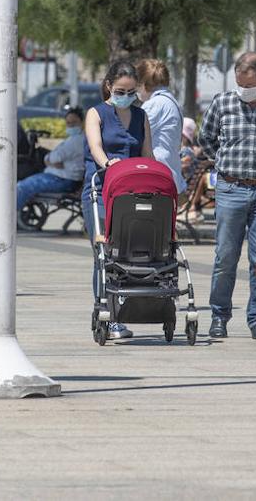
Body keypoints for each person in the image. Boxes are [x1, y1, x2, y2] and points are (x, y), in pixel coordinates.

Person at [200, 51, 256, 341]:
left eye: (249, 84)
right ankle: (219, 315)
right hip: (230, 188)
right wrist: (223, 164)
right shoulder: (223, 103)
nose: (243, 90)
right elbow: (206, 139)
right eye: (239, 83)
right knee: (225, 256)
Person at [83, 59, 155, 340]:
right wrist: (109, 165)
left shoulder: (140, 116)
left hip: (132, 191)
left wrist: (157, 175)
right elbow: (96, 147)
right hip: (101, 189)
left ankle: (123, 310)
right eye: (121, 90)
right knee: (104, 253)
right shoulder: (96, 113)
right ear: (109, 86)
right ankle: (106, 314)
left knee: (128, 252)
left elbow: (146, 152)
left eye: (131, 91)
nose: (126, 96)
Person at [16, 107, 86, 221]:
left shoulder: (76, 141)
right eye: (68, 123)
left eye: (74, 122)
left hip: (61, 180)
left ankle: (10, 219)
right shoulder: (74, 139)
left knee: (21, 187)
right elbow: (52, 158)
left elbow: (52, 158)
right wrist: (51, 160)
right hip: (59, 177)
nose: (71, 125)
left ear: (82, 123)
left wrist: (49, 160)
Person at [138, 58, 186, 196]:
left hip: (157, 176)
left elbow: (136, 136)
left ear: (143, 84)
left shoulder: (154, 104)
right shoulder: (172, 102)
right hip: (169, 172)